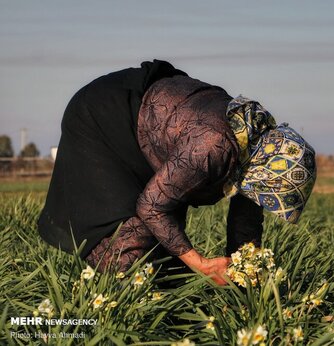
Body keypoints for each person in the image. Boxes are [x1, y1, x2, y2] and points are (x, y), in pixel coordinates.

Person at [38, 60, 316, 285]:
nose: (264, 199)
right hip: (101, 118)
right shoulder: (213, 146)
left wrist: (245, 274)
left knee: (169, 270)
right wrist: (203, 265)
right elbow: (152, 207)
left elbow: (246, 225)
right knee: (132, 249)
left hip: (149, 130)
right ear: (268, 171)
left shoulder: (254, 152)